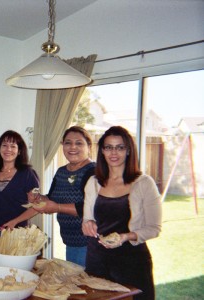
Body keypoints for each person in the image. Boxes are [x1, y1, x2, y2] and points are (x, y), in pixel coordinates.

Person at [82, 126, 162, 300]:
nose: (114, 152)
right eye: (109, 147)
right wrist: (87, 224)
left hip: (131, 262)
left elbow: (154, 228)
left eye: (120, 147)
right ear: (102, 151)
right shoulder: (93, 182)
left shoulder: (144, 183)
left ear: (128, 151)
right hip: (97, 260)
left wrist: (126, 236)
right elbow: (87, 219)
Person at [28, 126, 95, 267]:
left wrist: (57, 207)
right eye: (68, 143)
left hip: (90, 243)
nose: (72, 147)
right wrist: (37, 197)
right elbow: (51, 198)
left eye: (79, 143)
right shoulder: (61, 172)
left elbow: (89, 208)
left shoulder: (93, 171)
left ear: (89, 147)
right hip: (70, 241)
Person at [0, 130, 39, 236]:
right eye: (4, 145)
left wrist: (15, 221)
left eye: (13, 146)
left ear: (19, 151)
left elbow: (37, 207)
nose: (8, 149)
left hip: (17, 231)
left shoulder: (28, 174)